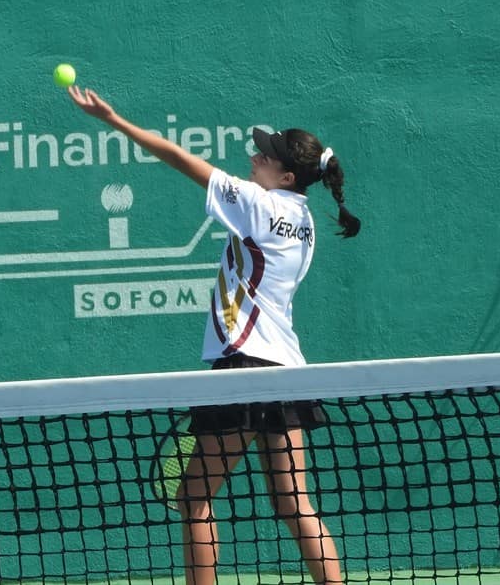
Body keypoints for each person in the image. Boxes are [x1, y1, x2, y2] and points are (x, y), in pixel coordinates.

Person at [68, 86, 360, 585]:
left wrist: (114, 119)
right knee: (294, 504)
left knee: (194, 498)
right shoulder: (306, 221)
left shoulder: (255, 204)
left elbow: (177, 157)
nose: (254, 156)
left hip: (243, 369)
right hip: (288, 373)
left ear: (286, 176)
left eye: (265, 155)